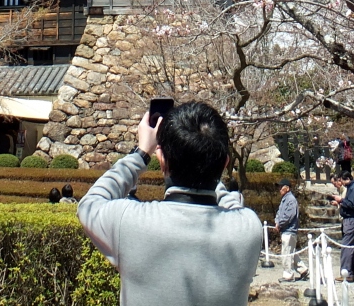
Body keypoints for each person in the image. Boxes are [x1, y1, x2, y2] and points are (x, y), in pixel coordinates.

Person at [78, 102, 262, 306]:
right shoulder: (248, 227)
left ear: (162, 161)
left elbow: (90, 203)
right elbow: (230, 202)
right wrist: (208, 164)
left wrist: (141, 153)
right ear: (225, 163)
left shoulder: (129, 221)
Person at [274, 178, 306, 282]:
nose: (279, 189)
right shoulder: (284, 199)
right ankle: (303, 270)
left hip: (289, 230)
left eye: (281, 187)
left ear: (287, 188)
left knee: (286, 253)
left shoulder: (291, 200)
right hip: (286, 230)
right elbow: (279, 213)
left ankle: (288, 275)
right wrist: (277, 221)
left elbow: (289, 216)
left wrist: (280, 223)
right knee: (291, 252)